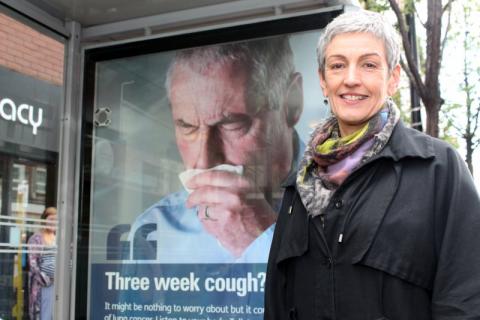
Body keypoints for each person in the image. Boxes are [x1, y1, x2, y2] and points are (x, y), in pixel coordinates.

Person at [265, 10, 480, 319]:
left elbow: (465, 299)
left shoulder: (438, 169)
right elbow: (277, 299)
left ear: (392, 78)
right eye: (338, 65)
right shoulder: (299, 184)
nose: (351, 79)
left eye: (368, 65)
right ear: (323, 81)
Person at [128, 36, 304, 263]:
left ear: (292, 104)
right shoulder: (153, 230)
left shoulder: (348, 206)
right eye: (187, 126)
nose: (203, 163)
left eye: (231, 124)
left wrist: (264, 243)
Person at [28, 207, 57, 320]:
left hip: (60, 285)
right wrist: (47, 280)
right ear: (44, 220)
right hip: (45, 285)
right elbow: (33, 264)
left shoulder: (61, 238)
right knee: (45, 316)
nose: (53, 222)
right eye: (51, 219)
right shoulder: (36, 239)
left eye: (56, 219)